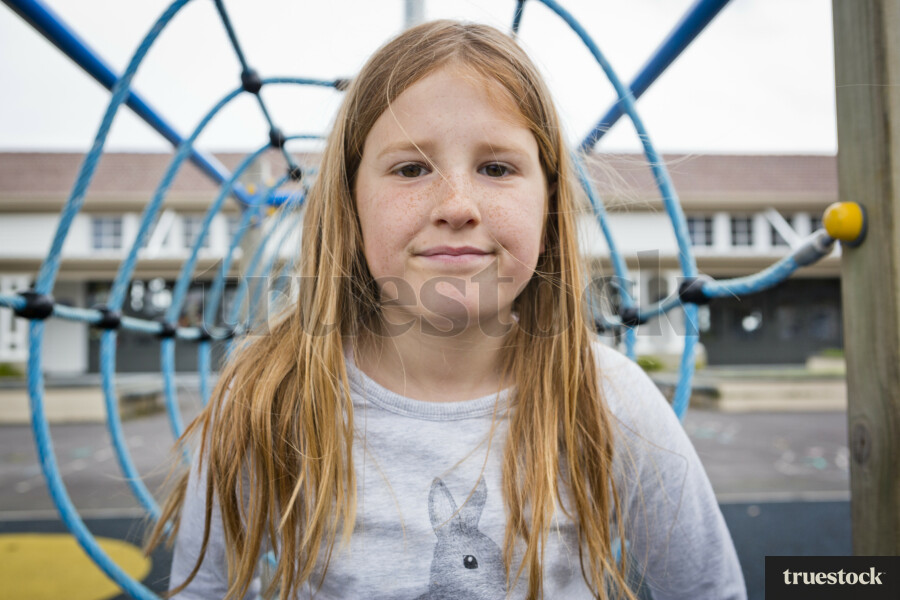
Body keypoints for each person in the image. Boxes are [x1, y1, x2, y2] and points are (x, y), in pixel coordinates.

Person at [148, 19, 747, 600]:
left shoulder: (607, 399)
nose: (456, 205)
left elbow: (707, 588)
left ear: (548, 204)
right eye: (410, 168)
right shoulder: (267, 396)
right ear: (350, 206)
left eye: (496, 167)